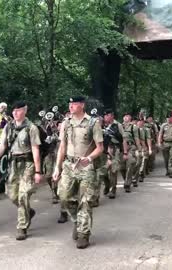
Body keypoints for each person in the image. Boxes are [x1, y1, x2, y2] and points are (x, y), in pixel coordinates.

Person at [53, 96, 104, 249]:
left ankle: (83, 234)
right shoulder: (66, 123)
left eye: (74, 104)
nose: (71, 106)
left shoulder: (93, 123)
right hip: (68, 164)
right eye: (70, 104)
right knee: (64, 197)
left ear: (82, 105)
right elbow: (62, 146)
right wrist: (58, 167)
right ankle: (76, 220)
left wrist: (89, 158)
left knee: (85, 201)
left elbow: (99, 147)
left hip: (85, 166)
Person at [0, 101, 42, 241]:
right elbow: (2, 146)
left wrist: (38, 171)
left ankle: (22, 227)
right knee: (12, 195)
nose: (15, 113)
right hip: (13, 165)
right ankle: (28, 211)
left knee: (23, 195)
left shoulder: (31, 128)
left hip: (27, 164)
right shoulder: (9, 127)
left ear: (25, 111)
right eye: (14, 110)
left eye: (18, 110)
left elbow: (36, 149)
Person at [102, 108, 125, 199]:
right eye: (105, 115)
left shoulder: (117, 125)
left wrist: (125, 152)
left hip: (115, 149)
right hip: (103, 150)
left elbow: (123, 139)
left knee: (113, 170)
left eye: (108, 115)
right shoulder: (101, 124)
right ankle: (107, 184)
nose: (106, 117)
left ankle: (113, 189)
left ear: (112, 116)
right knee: (103, 171)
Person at [121, 113, 141, 192]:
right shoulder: (119, 126)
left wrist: (139, 150)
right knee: (121, 167)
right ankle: (126, 179)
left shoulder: (134, 127)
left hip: (131, 147)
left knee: (130, 165)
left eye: (128, 116)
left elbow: (136, 139)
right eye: (124, 116)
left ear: (130, 118)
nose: (126, 117)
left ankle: (127, 184)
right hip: (121, 148)